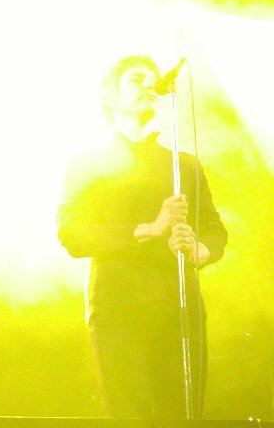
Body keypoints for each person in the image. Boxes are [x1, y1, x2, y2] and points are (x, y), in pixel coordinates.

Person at [57, 55, 227, 419]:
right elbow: (72, 232)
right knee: (130, 417)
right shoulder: (89, 163)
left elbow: (215, 229)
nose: (149, 84)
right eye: (136, 79)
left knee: (182, 416)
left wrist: (200, 249)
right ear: (111, 97)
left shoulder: (185, 164)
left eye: (153, 79)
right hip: (120, 309)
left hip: (180, 308)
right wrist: (150, 228)